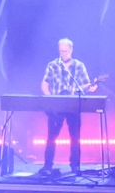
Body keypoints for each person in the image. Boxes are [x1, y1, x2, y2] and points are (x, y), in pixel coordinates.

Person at [40, 38, 98, 174]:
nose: (63, 54)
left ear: (71, 50)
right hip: (56, 107)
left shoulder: (79, 66)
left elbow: (84, 84)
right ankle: (47, 165)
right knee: (52, 137)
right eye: (61, 51)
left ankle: (75, 166)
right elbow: (44, 83)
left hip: (73, 107)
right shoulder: (52, 65)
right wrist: (50, 99)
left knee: (75, 137)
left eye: (65, 51)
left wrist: (91, 87)